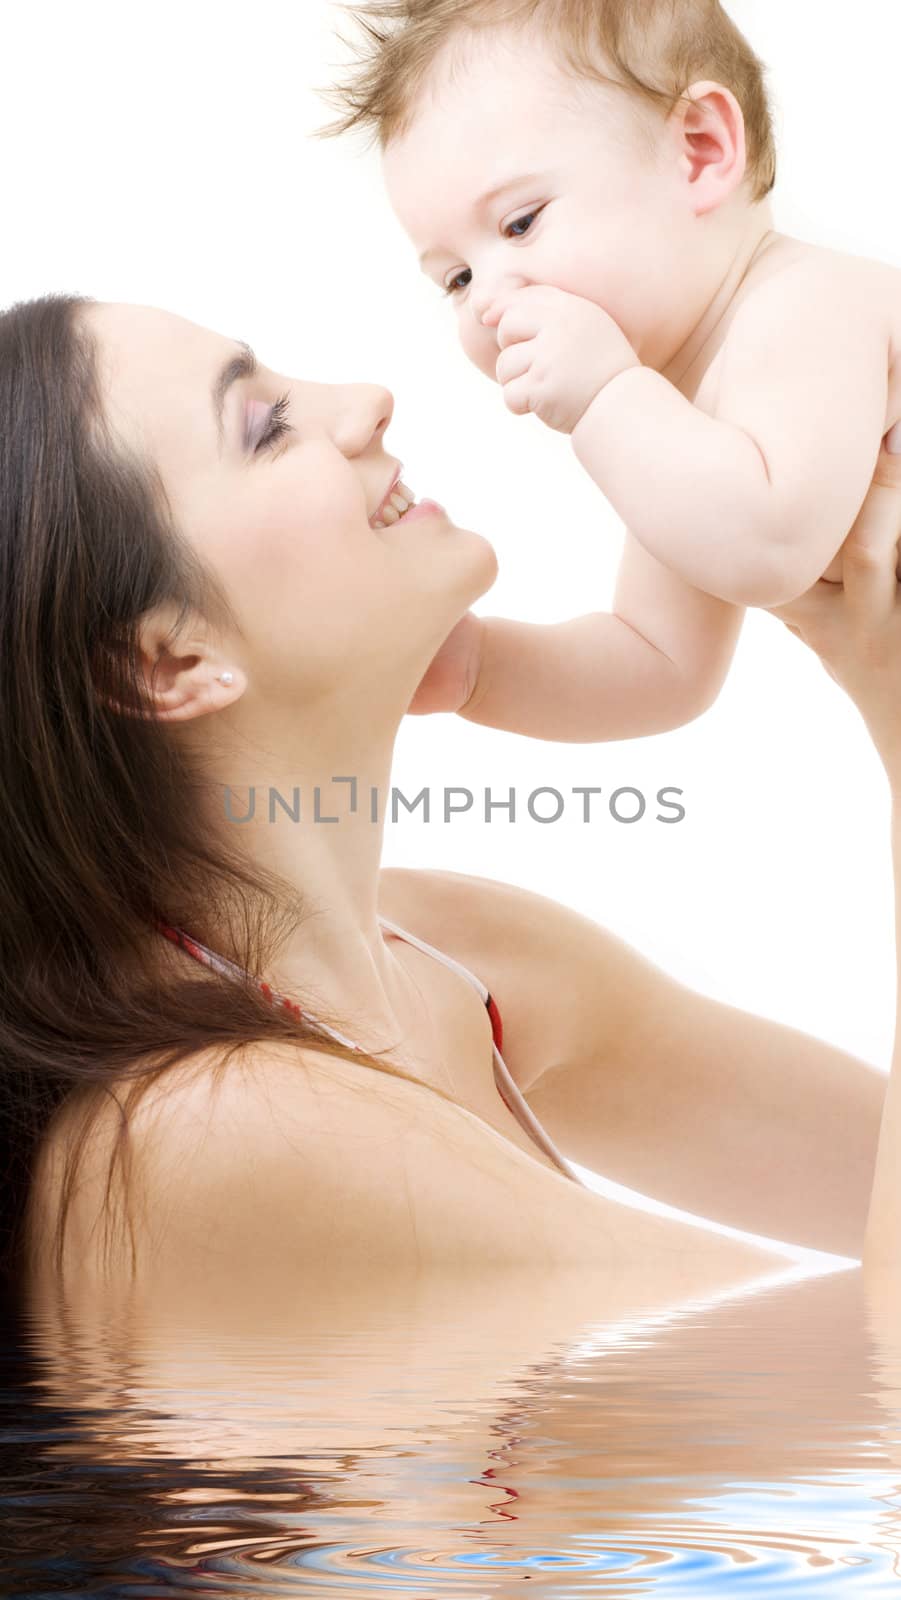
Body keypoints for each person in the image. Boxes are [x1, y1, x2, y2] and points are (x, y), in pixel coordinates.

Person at [2, 292, 897, 1315]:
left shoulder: (460, 962)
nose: (365, 403)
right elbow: (867, 1369)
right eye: (266, 426)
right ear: (168, 661)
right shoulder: (213, 1128)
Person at [319, 0, 901, 744]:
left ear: (698, 150)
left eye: (520, 223)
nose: (488, 302)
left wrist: (605, 396)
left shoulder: (808, 305)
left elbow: (771, 548)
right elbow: (657, 664)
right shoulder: (681, 431)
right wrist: (476, 667)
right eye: (458, 277)